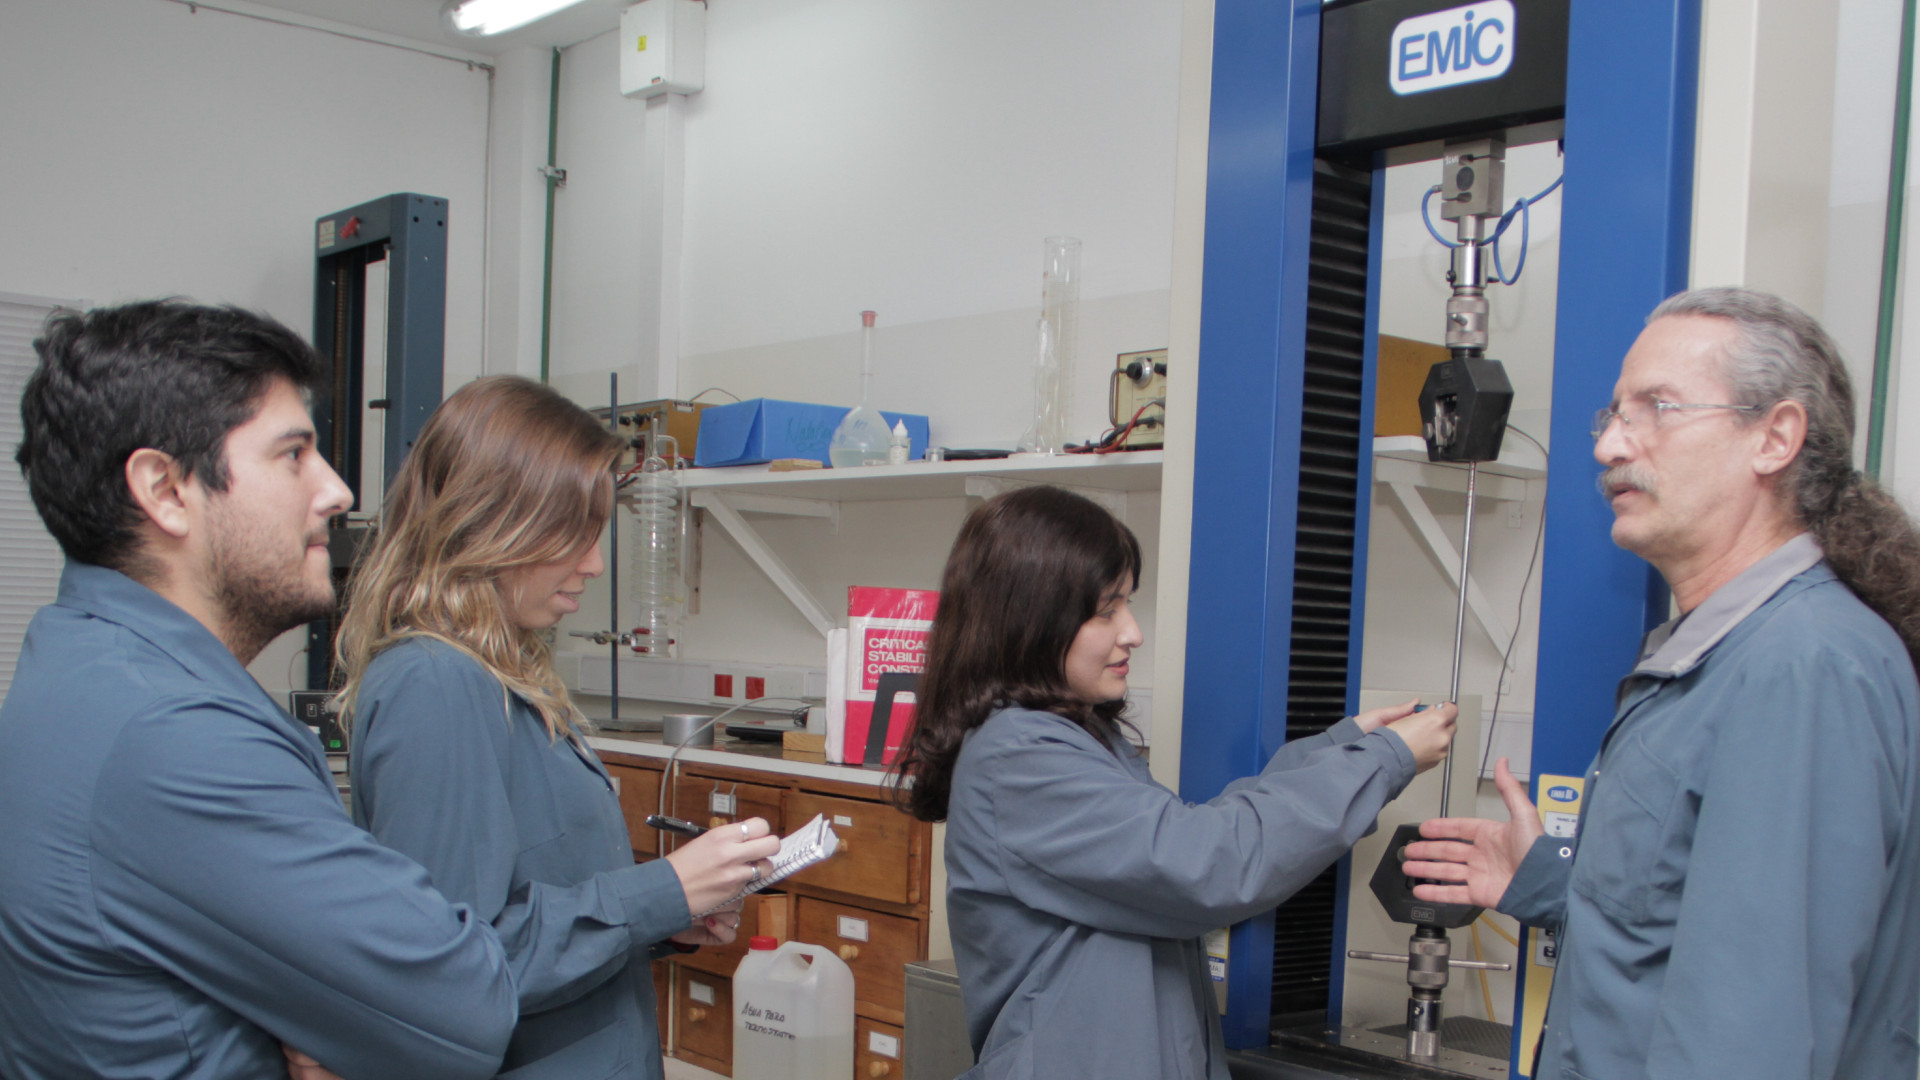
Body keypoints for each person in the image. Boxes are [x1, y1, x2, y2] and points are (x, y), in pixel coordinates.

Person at [1404, 287, 1920, 1080]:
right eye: (1612, 415)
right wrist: (1551, 883)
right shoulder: (1714, 654)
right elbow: (1699, 930)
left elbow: (1753, 1038)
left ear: (1775, 437)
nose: (1612, 444)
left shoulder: (1800, 670)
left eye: (1658, 408)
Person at [0, 300, 519, 1079]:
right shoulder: (176, 737)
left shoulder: (71, 655)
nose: (338, 491)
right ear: (165, 489)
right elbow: (470, 1005)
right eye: (293, 455)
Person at [892, 485, 1458, 1080]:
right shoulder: (1020, 754)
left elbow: (1181, 841)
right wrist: (1381, 761)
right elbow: (1205, 864)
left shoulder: (1075, 735)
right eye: (1106, 610)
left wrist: (1341, 750)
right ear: (1031, 617)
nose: (1132, 632)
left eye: (1127, 605)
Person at [335, 375, 780, 1080]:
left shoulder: (503, 673)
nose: (595, 563)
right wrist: (659, 892)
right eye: (572, 533)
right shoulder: (434, 683)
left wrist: (663, 919)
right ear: (487, 521)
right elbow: (452, 970)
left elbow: (538, 898)